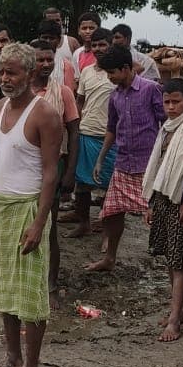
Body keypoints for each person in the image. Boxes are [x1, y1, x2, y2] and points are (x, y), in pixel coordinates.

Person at [0, 42, 62, 367]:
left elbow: (51, 174)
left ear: (29, 74)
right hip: (1, 207)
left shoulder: (45, 114)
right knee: (4, 289)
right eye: (2, 71)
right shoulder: (3, 106)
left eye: (13, 72)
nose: (6, 78)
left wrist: (40, 222)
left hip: (27, 209)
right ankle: (11, 358)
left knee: (30, 295)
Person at [86, 46, 166, 272]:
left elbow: (165, 124)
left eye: (112, 73)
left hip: (147, 165)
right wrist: (101, 159)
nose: (109, 78)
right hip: (122, 162)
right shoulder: (115, 96)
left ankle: (169, 260)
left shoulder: (151, 89)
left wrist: (163, 159)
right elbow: (112, 128)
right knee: (111, 212)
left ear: (126, 68)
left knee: (159, 214)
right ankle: (110, 258)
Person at [140, 79, 183, 342]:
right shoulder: (166, 127)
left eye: (177, 102)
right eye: (167, 102)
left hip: (181, 200)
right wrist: (151, 202)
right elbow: (159, 165)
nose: (171, 107)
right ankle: (182, 308)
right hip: (164, 197)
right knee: (169, 256)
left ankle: (175, 319)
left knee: (179, 262)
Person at [29, 39, 80, 305]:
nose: (46, 64)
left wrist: (70, 171)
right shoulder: (21, 93)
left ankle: (50, 282)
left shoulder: (63, 93)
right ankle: (27, 277)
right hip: (25, 167)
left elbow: (73, 133)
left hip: (54, 165)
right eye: (41, 59)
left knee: (49, 226)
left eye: (50, 59)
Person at [66, 28, 118, 237]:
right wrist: (77, 126)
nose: (98, 49)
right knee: (82, 184)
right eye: (95, 45)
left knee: (109, 186)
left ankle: (107, 230)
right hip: (86, 134)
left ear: (110, 44)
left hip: (111, 137)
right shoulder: (86, 71)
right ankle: (83, 224)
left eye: (102, 44)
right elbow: (80, 101)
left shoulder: (117, 73)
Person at [39, 19, 78, 91]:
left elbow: (69, 92)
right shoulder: (31, 62)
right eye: (45, 37)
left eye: (51, 38)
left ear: (59, 40)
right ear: (39, 38)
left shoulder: (66, 65)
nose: (48, 41)